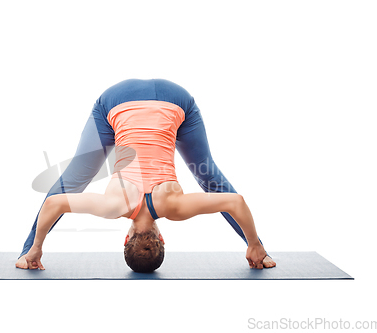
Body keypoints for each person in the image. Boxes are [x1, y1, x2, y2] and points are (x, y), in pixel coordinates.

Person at [16, 78, 276, 271]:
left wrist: (252, 241)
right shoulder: (113, 206)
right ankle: (29, 253)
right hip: (117, 100)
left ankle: (258, 251)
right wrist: (39, 246)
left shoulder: (175, 208)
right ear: (126, 239)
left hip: (175, 99)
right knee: (73, 182)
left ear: (162, 238)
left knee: (209, 179)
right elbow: (54, 203)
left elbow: (235, 201)